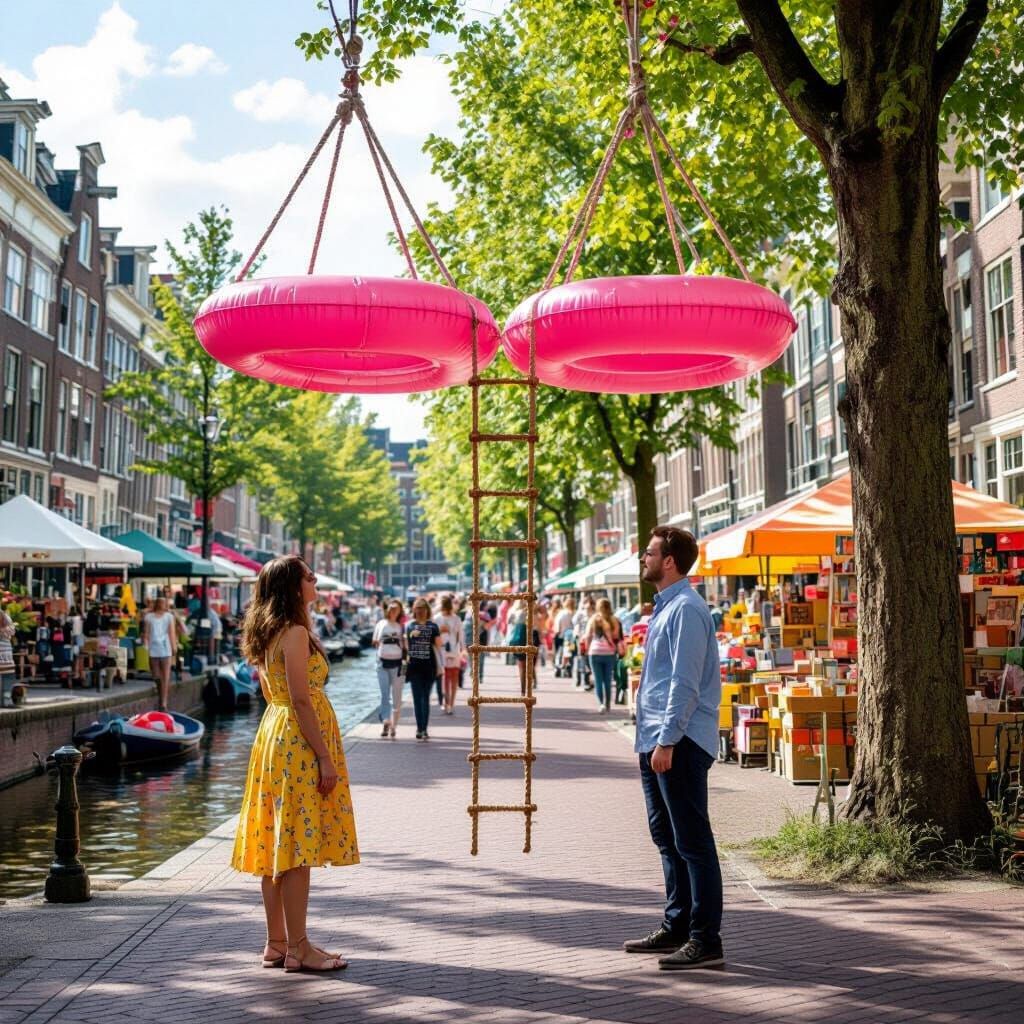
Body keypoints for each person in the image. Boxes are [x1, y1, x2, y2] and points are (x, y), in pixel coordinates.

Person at [231, 555, 358, 973]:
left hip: (273, 734)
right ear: (292, 586)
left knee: (276, 842)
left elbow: (273, 695)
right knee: (298, 847)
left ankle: (277, 942)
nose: (315, 580)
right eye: (309, 576)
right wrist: (323, 755)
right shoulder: (297, 633)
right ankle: (300, 948)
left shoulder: (265, 632)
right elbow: (302, 699)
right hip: (299, 744)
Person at [624, 526, 723, 971]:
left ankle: (705, 938)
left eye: (648, 553)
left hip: (677, 742)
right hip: (655, 740)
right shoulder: (667, 607)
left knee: (692, 841)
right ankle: (677, 924)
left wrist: (667, 740)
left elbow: (684, 683)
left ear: (669, 561)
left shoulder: (686, 609)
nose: (642, 559)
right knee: (666, 837)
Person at [405, 598, 442, 740]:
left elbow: (438, 644)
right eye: (418, 608)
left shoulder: (429, 626)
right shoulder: (412, 626)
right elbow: (407, 647)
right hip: (417, 666)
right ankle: (421, 729)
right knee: (419, 698)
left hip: (426, 666)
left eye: (422, 608)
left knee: (423, 698)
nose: (420, 611)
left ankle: (422, 728)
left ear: (427, 610)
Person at [372, 600, 406, 738]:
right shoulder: (381, 624)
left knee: (397, 697)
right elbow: (374, 641)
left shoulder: (402, 626)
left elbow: (406, 646)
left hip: (399, 664)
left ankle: (394, 726)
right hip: (382, 663)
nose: (393, 611)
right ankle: (386, 720)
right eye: (391, 608)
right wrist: (381, 643)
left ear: (399, 611)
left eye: (396, 609)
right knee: (384, 694)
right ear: (387, 610)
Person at [585, 597, 622, 714]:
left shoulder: (593, 619)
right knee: (607, 680)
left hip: (595, 651)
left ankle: (601, 704)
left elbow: (587, 636)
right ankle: (608, 704)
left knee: (598, 680)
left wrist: (587, 649)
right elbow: (616, 635)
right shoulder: (614, 620)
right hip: (609, 652)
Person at [142, 597, 178, 711]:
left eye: (164, 603)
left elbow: (171, 633)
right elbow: (146, 633)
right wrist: (146, 645)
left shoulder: (169, 617)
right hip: (153, 648)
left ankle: (163, 703)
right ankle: (161, 692)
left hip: (165, 648)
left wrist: (173, 647)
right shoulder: (149, 617)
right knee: (156, 676)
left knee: (165, 677)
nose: (162, 604)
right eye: (160, 602)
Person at [434, 595, 464, 715]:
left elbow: (460, 635)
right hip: (445, 650)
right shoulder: (438, 618)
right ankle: (449, 703)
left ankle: (449, 704)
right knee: (448, 677)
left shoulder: (455, 619)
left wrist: (463, 649)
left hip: (451, 650)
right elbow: (434, 635)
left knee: (449, 678)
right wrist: (462, 649)